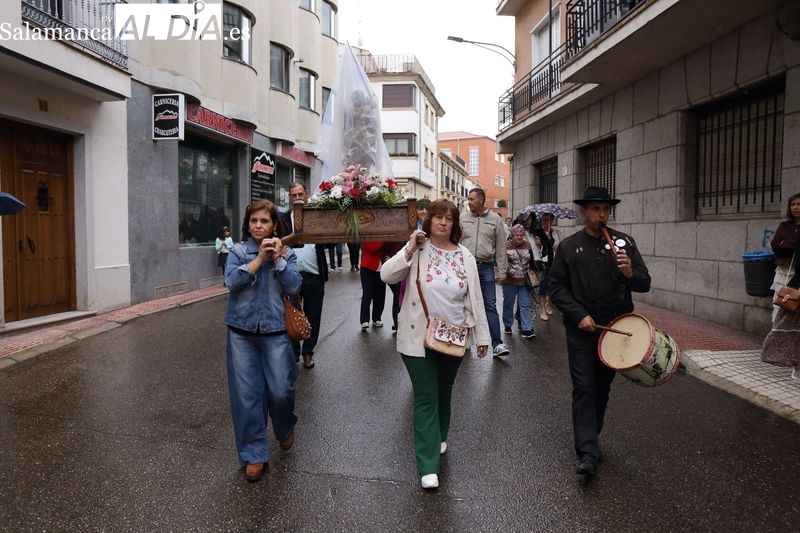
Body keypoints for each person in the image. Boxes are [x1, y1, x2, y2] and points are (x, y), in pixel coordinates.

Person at [381, 199, 490, 490]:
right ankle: (428, 465)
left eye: (449, 218)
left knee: (444, 390)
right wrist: (408, 248)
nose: (442, 222)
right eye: (437, 217)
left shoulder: (465, 256)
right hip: (418, 337)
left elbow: (475, 299)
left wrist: (482, 338)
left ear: (455, 224)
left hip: (454, 337)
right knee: (426, 395)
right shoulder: (418, 248)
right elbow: (386, 274)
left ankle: (440, 435)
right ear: (428, 221)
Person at [548, 186, 651, 479]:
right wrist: (579, 314)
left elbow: (644, 283)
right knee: (584, 386)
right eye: (595, 209)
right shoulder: (568, 247)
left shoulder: (625, 243)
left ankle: (590, 439)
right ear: (584, 212)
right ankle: (587, 453)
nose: (601, 214)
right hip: (582, 327)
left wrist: (631, 273)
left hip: (615, 327)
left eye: (605, 209)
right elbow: (556, 288)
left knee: (602, 387)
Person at [223, 200, 302, 483]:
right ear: (247, 225)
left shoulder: (288, 254)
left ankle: (284, 426)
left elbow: (294, 286)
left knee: (281, 391)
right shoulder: (237, 251)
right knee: (247, 396)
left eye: (264, 221)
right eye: (254, 221)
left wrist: (278, 261)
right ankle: (253, 455)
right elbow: (231, 282)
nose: (259, 226)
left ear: (274, 226)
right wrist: (258, 260)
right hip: (241, 333)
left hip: (276, 332)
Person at [280, 182, 329, 370]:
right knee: (291, 315)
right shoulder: (282, 219)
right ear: (290, 198)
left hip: (315, 276)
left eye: (301, 194)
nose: (298, 197)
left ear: (306, 195)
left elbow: (331, 244)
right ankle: (294, 353)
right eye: (294, 195)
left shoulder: (317, 218)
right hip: (290, 276)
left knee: (313, 316)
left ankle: (308, 352)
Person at [460, 188, 509, 357]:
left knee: (490, 305)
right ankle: (462, 342)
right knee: (462, 305)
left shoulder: (495, 220)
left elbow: (501, 247)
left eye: (472, 199)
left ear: (481, 200)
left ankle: (497, 344)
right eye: (468, 199)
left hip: (486, 266)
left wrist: (502, 271)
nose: (469, 202)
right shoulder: (462, 218)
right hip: (464, 267)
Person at [767, 192, 800, 379]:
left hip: (798, 276)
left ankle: (796, 364)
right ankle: (784, 356)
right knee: (778, 314)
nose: (796, 207)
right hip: (783, 275)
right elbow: (775, 246)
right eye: (793, 204)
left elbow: (782, 245)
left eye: (799, 204)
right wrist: (791, 243)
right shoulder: (785, 226)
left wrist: (785, 244)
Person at [500, 224, 536, 338]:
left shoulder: (528, 245)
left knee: (525, 304)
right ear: (512, 235)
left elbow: (532, 260)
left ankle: (527, 328)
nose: (519, 237)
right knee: (509, 304)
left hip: (524, 280)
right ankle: (507, 325)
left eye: (521, 234)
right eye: (517, 235)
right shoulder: (506, 246)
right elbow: (500, 261)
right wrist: (508, 269)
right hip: (509, 280)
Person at [538, 210, 563, 321]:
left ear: (552, 220)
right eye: (544, 219)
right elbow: (535, 248)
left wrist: (552, 244)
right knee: (543, 285)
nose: (546, 222)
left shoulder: (557, 233)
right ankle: (542, 309)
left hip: (555, 262)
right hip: (543, 262)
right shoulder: (538, 233)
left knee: (553, 285)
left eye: (549, 220)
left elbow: (561, 248)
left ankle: (549, 305)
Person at [359, 241, 388, 330]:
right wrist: (384, 240)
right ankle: (364, 320)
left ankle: (377, 318)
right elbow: (373, 248)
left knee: (380, 294)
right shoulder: (366, 234)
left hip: (381, 267)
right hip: (367, 266)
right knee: (367, 294)